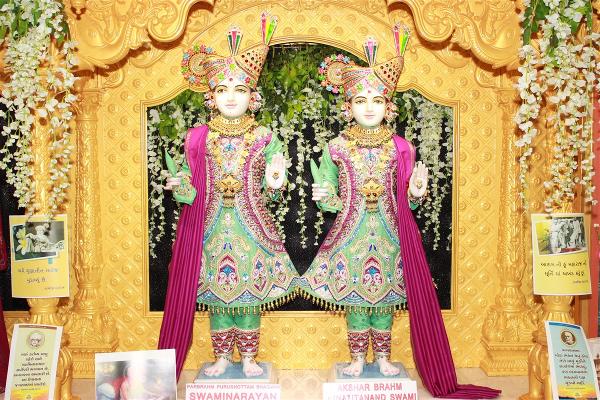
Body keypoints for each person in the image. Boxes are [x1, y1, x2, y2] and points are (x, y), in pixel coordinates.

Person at [302, 25, 500, 398]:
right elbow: (327, 189)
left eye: (377, 100)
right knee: (356, 299)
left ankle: (382, 358)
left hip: (390, 234)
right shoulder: (337, 146)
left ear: (388, 106)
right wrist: (326, 196)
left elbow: (406, 198)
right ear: (348, 106)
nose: (369, 107)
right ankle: (357, 359)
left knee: (385, 301)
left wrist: (417, 192)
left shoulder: (401, 147)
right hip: (350, 234)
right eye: (361, 100)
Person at [158, 13, 298, 379]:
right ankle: (221, 356)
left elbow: (276, 188)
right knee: (218, 297)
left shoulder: (264, 137)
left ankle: (249, 357)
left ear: (253, 97)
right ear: (211, 97)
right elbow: (189, 186)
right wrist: (182, 188)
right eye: (223, 90)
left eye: (239, 90)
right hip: (211, 229)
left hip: (253, 230)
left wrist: (276, 181)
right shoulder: (198, 138)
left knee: (249, 296)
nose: (231, 97)